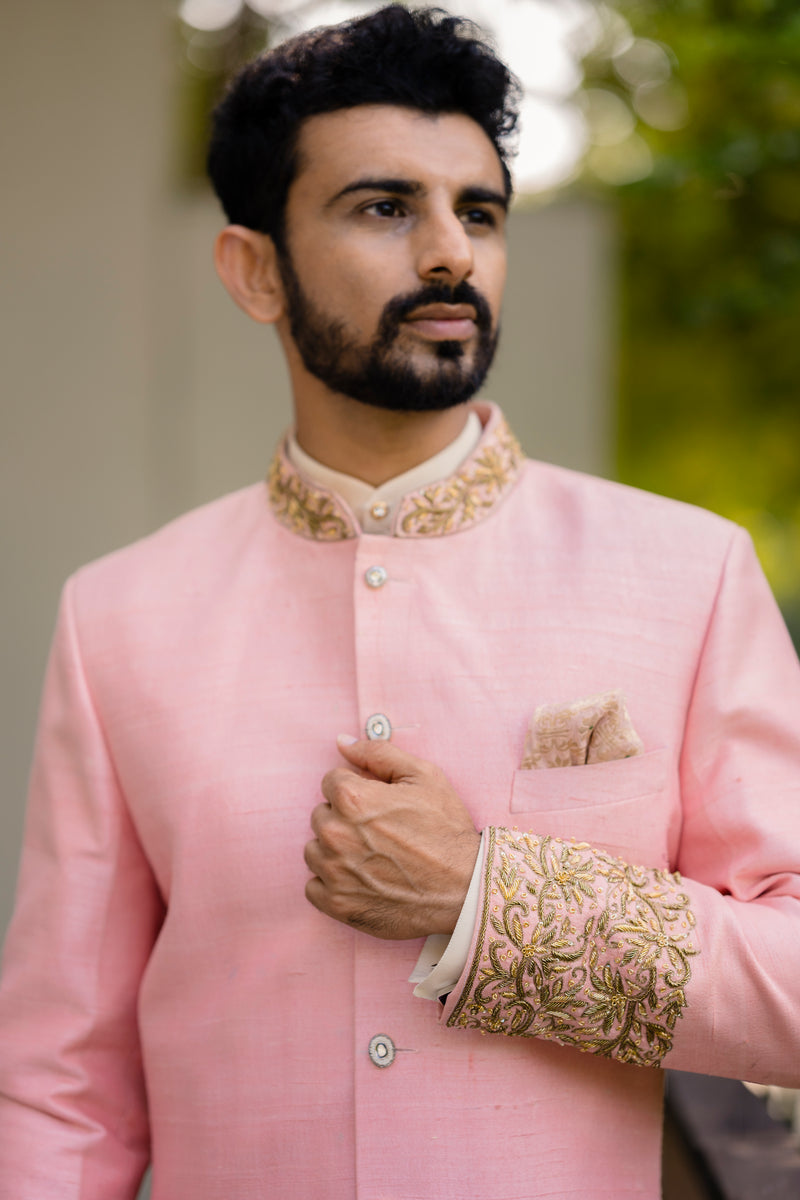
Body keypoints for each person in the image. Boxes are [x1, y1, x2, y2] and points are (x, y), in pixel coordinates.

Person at [0, 5, 798, 1198]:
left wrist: (487, 898)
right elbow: (62, 1085)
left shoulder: (684, 574)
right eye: (385, 208)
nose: (448, 254)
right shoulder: (121, 616)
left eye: (476, 212)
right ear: (254, 269)